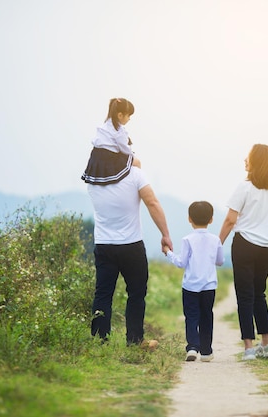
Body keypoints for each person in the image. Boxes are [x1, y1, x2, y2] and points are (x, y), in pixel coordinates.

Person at [87, 155, 173, 347]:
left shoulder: (93, 177)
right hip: (131, 245)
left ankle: (99, 341)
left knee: (103, 294)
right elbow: (152, 203)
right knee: (136, 293)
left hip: (104, 244)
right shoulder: (135, 175)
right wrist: (165, 234)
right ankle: (135, 340)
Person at [218, 144, 268, 361]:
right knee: (259, 294)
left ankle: (249, 348)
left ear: (256, 162)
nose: (244, 160)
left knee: (245, 296)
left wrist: (218, 244)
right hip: (267, 247)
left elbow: (230, 220)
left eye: (248, 157)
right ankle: (266, 343)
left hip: (245, 244)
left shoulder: (244, 187)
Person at [163, 201, 225, 362]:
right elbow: (220, 261)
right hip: (209, 286)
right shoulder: (215, 240)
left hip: (190, 286)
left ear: (189, 219)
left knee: (191, 317)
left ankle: (192, 347)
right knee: (207, 316)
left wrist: (168, 252)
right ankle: (206, 351)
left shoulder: (187, 240)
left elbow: (181, 263)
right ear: (211, 219)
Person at [81, 98, 141, 186]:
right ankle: (138, 184)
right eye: (128, 116)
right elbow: (124, 149)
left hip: (95, 158)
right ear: (120, 115)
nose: (129, 119)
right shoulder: (119, 131)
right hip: (109, 158)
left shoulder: (104, 126)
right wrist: (132, 155)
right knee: (137, 162)